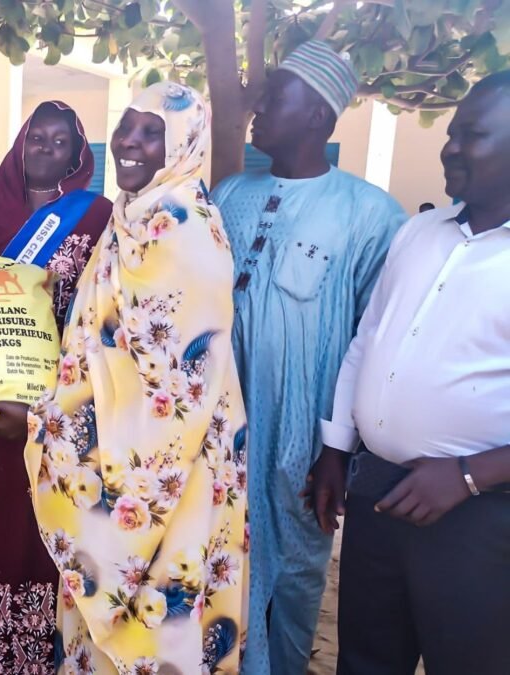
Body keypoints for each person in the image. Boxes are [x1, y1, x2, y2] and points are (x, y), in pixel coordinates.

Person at [0, 82, 248, 674]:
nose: (130, 141)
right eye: (126, 126)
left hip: (169, 476)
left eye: (152, 132)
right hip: (111, 445)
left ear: (183, 144)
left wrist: (45, 425)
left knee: (154, 627)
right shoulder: (132, 215)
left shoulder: (184, 232)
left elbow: (168, 398)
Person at [210, 40, 406, 675]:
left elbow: (375, 343)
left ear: (319, 116)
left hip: (303, 438)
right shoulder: (229, 195)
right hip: (219, 427)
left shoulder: (371, 214)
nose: (259, 107)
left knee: (293, 576)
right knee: (215, 562)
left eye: (276, 96)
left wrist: (337, 448)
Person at [308, 70, 510, 675]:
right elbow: (368, 340)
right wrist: (336, 450)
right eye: (451, 133)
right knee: (367, 660)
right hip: (379, 493)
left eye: (471, 135)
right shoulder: (420, 232)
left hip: (478, 514)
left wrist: (470, 477)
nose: (450, 147)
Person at [0, 100, 112, 672]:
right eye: (36, 139)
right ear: (19, 145)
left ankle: (56, 655)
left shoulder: (96, 217)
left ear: (78, 155)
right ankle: (2, 657)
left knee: (55, 519)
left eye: (60, 142)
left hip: (66, 398)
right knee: (3, 518)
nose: (45, 150)